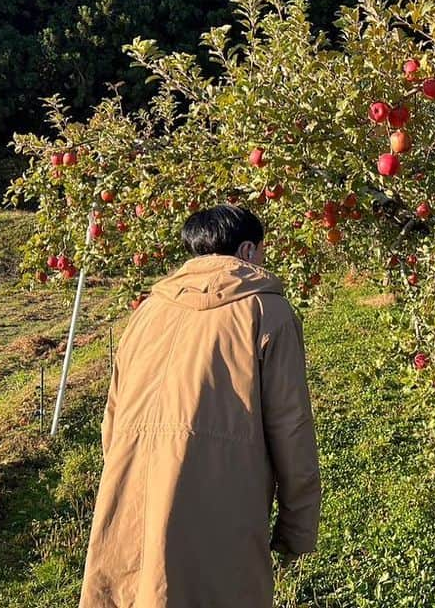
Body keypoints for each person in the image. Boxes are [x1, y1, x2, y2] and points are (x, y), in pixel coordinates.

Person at [79, 205, 321, 608]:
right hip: (221, 500)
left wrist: (127, 476)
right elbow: (291, 428)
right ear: (247, 250)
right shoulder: (266, 311)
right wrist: (297, 529)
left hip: (133, 490)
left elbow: (114, 415)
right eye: (261, 250)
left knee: (138, 590)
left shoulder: (147, 311)